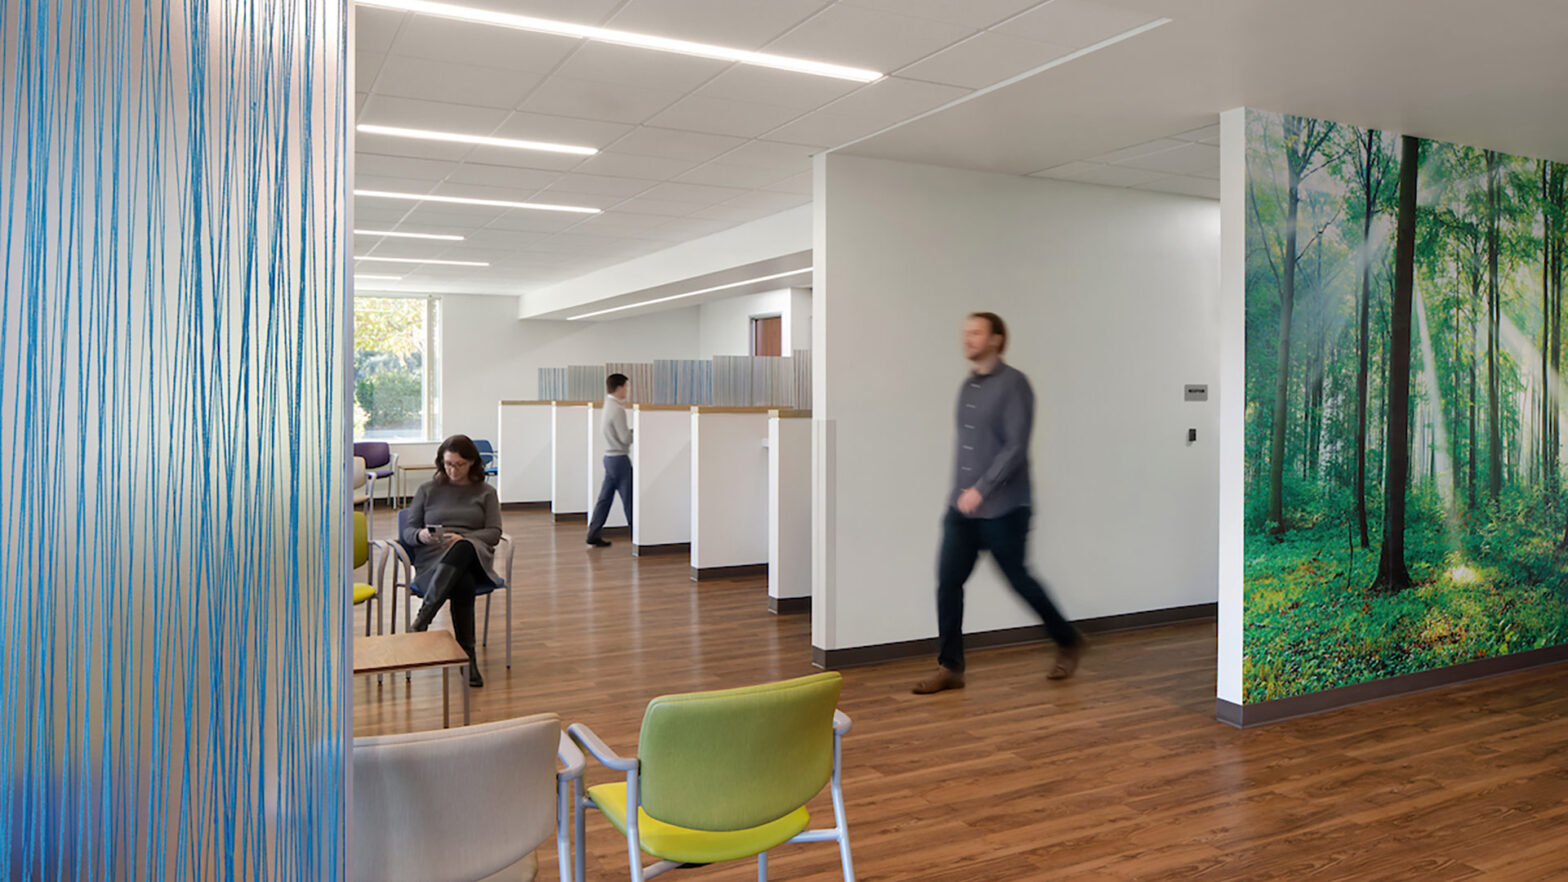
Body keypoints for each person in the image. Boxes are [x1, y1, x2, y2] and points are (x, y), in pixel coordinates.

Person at [912, 312, 1087, 695]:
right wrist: (960, 495)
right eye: (965, 333)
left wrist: (982, 489)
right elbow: (966, 450)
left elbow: (1015, 447)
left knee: (1020, 580)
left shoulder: (1015, 385)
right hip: (962, 510)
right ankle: (950, 668)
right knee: (948, 583)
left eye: (975, 332)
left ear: (996, 339)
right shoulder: (967, 388)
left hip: (1005, 508)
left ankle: (1068, 640)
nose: (968, 339)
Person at [403, 434, 502, 688]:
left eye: (459, 465)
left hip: (474, 557)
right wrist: (421, 535)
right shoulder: (427, 489)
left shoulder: (487, 492)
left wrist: (464, 537)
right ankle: (468, 659)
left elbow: (494, 533)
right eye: (447, 464)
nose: (452, 470)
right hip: (433, 563)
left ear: (472, 464)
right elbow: (407, 532)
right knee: (462, 583)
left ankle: (425, 616)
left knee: (463, 547)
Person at [586, 373, 633, 548]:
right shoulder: (618, 409)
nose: (627, 390)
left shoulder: (608, 405)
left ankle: (593, 533)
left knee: (604, 499)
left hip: (609, 458)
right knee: (630, 500)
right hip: (619, 459)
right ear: (620, 387)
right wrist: (636, 432)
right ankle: (637, 538)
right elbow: (625, 438)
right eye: (626, 387)